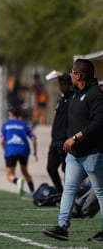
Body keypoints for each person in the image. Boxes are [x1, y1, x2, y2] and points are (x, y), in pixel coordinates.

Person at [43, 58, 103, 242]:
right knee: (69, 189)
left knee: (100, 192)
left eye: (72, 72)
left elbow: (99, 123)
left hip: (93, 153)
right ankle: (62, 227)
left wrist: (75, 137)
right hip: (75, 155)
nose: (70, 75)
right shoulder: (77, 93)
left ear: (78, 75)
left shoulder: (95, 94)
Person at [46, 71, 73, 193]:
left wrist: (62, 74)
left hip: (64, 140)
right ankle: (60, 192)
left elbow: (72, 80)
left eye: (64, 84)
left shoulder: (73, 97)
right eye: (60, 84)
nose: (62, 87)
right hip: (55, 140)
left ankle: (69, 193)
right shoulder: (60, 100)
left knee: (66, 168)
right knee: (51, 167)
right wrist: (52, 139)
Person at [0, 107, 37, 196]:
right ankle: (33, 192)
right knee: (25, 172)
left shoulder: (5, 125)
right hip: (24, 150)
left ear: (10, 115)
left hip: (11, 149)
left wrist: (5, 150)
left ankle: (17, 181)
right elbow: (33, 138)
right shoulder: (24, 125)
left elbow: (1, 141)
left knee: (10, 175)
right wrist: (35, 152)